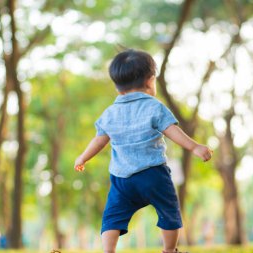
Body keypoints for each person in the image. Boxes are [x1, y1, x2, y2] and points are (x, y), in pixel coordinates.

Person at [74, 49, 213, 253]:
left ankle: (108, 251)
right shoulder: (154, 107)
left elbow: (99, 140)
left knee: (112, 216)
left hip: (121, 179)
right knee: (168, 212)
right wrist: (194, 146)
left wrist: (83, 157)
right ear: (150, 81)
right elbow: (172, 130)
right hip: (153, 174)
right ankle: (169, 250)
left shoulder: (110, 113)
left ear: (117, 87)